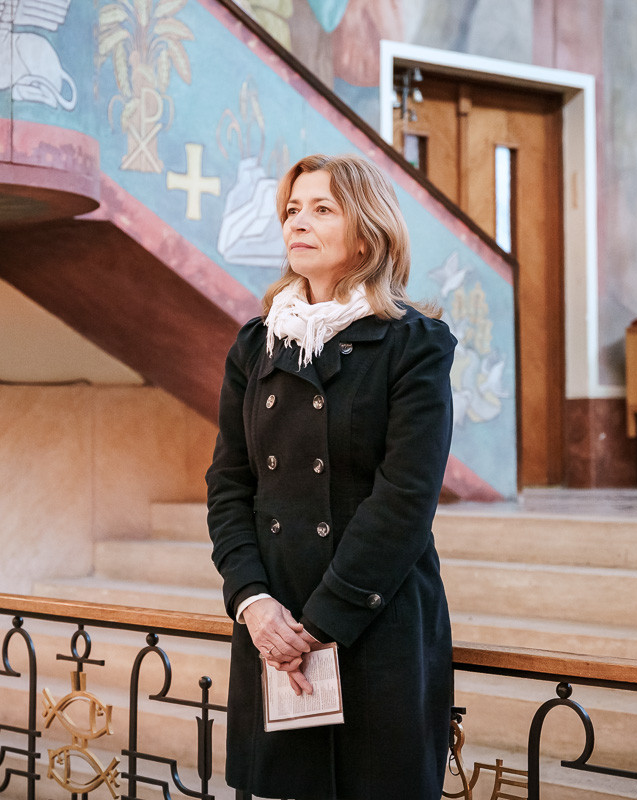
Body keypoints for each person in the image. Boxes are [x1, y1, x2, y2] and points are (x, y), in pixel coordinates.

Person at [206, 153, 456, 800]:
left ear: (367, 234)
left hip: (374, 620)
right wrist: (253, 603)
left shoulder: (414, 344)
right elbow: (229, 486)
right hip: (275, 622)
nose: (298, 222)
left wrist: (319, 625)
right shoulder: (255, 346)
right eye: (292, 209)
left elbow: (404, 500)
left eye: (322, 209)